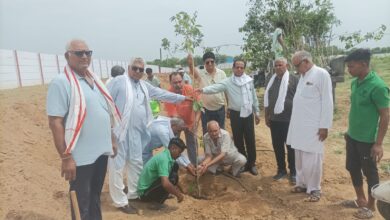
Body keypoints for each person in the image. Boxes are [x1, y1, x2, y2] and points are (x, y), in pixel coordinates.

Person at [46, 39, 121, 220]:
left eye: (88, 52)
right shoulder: (61, 82)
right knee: (81, 202)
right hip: (80, 157)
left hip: (101, 152)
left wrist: (111, 139)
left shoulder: (94, 79)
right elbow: (55, 122)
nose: (85, 56)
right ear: (67, 56)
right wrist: (66, 157)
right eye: (79, 53)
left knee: (95, 197)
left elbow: (105, 112)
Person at [107, 57, 189, 214]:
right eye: (135, 68)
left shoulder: (144, 86)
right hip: (120, 132)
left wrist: (183, 98)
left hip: (138, 132)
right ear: (129, 67)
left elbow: (161, 94)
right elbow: (106, 102)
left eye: (141, 69)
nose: (138, 71)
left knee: (136, 163)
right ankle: (120, 202)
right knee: (117, 166)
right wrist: (109, 131)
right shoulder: (119, 82)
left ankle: (133, 194)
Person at [342, 49, 389, 219]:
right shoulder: (355, 82)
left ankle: (370, 206)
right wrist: (349, 131)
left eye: (351, 66)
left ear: (363, 64)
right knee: (352, 167)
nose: (349, 70)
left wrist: (378, 144)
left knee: (370, 172)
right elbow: (356, 109)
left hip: (368, 140)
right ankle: (360, 199)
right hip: (353, 136)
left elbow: (385, 115)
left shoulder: (378, 86)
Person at [196, 58, 260, 176]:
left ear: (244, 69)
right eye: (237, 67)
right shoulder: (228, 81)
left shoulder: (249, 80)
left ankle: (252, 164)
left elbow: (254, 97)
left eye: (242, 67)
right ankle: (243, 164)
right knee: (238, 139)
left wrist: (257, 112)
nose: (239, 69)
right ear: (233, 68)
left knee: (250, 139)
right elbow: (215, 87)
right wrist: (203, 90)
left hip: (248, 113)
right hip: (236, 114)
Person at [287, 51, 333, 202]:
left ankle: (315, 189)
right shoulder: (303, 76)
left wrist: (324, 126)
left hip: (314, 126)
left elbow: (327, 101)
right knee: (299, 157)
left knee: (312, 159)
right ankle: (302, 183)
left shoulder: (321, 74)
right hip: (299, 126)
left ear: (306, 61)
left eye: (297, 66)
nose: (296, 69)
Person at [264, 57, 298, 183]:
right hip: (274, 120)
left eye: (280, 65)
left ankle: (294, 171)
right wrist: (267, 116)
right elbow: (267, 99)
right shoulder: (270, 79)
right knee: (277, 146)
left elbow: (299, 99)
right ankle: (281, 170)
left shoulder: (294, 79)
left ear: (287, 66)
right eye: (276, 65)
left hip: (290, 120)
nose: (278, 67)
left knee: (291, 147)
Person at [137, 138, 186, 210]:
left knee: (175, 168)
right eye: (179, 152)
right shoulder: (164, 159)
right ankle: (156, 203)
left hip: (150, 187)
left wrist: (180, 189)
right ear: (173, 148)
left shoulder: (168, 156)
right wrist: (178, 195)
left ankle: (162, 195)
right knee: (169, 180)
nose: (179, 155)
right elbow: (165, 184)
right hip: (144, 193)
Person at [164, 72, 201, 166]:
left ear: (183, 81)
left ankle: (194, 164)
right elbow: (174, 116)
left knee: (192, 144)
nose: (178, 85)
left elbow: (199, 108)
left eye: (180, 81)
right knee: (174, 144)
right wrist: (184, 126)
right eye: (175, 82)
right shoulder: (168, 94)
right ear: (170, 83)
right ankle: (173, 165)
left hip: (191, 122)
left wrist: (195, 123)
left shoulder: (190, 89)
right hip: (176, 124)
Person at [188, 52, 228, 135]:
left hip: (220, 109)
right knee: (207, 134)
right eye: (207, 62)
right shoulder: (200, 74)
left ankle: (220, 148)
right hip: (206, 110)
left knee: (220, 133)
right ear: (204, 64)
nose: (210, 64)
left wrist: (229, 105)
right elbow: (192, 70)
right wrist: (190, 62)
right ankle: (208, 148)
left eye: (212, 62)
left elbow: (226, 90)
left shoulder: (222, 73)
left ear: (215, 62)